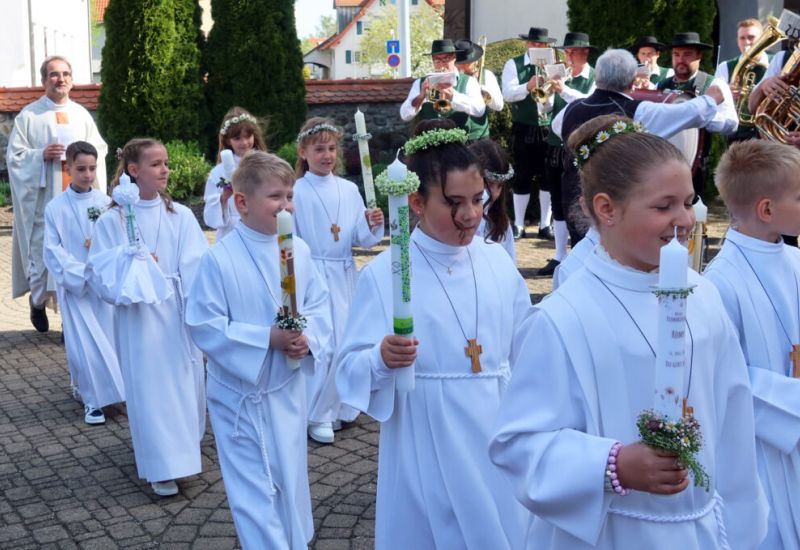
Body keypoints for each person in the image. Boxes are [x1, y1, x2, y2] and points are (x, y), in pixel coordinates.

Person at [489, 114, 767, 549]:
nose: (685, 219)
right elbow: (518, 444)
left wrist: (742, 518)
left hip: (700, 527)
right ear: (606, 209)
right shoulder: (565, 317)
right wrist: (613, 463)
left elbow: (733, 415)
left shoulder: (704, 296)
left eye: (688, 202)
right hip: (612, 532)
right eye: (663, 206)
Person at [336, 119, 533, 549]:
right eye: (454, 203)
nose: (471, 215)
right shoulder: (388, 274)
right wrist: (380, 358)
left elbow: (528, 350)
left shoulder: (497, 263)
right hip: (426, 435)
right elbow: (348, 368)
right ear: (416, 202)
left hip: (495, 431)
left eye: (478, 199)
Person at [186, 152, 332, 548]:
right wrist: (268, 338)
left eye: (290, 196)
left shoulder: (299, 251)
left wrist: (306, 338)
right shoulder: (220, 258)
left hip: (285, 390)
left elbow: (319, 306)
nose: (286, 206)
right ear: (242, 202)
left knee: (289, 480)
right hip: (240, 398)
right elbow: (203, 323)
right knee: (254, 491)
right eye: (275, 197)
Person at [87, 138, 207, 497]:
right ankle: (160, 466)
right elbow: (98, 271)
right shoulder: (112, 219)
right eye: (156, 164)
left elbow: (198, 263)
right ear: (133, 170)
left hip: (176, 308)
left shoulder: (179, 215)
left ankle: (184, 454)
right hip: (139, 316)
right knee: (150, 388)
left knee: (183, 383)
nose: (165, 169)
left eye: (166, 163)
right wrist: (129, 263)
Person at [704, 139, 800, 549]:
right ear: (767, 210)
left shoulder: (794, 261)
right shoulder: (720, 283)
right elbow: (726, 380)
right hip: (762, 448)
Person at [553, 48, 729, 245]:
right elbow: (687, 112)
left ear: (597, 77)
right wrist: (711, 98)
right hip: (617, 203)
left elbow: (556, 128)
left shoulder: (571, 108)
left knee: (583, 249)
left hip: (576, 198)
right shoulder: (639, 112)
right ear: (632, 80)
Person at [293, 117, 384, 444]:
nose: (327, 155)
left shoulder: (349, 190)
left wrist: (371, 223)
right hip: (314, 274)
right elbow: (292, 239)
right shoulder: (297, 192)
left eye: (332, 148)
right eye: (319, 149)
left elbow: (361, 238)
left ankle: (342, 406)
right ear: (303, 152)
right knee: (322, 344)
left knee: (347, 341)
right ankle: (317, 413)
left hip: (344, 274)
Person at [6, 55, 108, 332]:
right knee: (42, 262)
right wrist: (40, 155)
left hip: (77, 202)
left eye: (65, 74)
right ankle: (37, 302)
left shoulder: (81, 115)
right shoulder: (29, 116)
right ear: (43, 80)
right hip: (43, 204)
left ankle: (69, 322)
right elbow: (15, 157)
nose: (60, 79)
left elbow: (99, 150)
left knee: (75, 257)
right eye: (53, 74)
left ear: (72, 80)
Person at [43, 141, 124, 425]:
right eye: (81, 169)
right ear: (68, 168)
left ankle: (116, 390)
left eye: (92, 168)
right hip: (76, 286)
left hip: (102, 286)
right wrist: (80, 273)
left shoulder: (105, 202)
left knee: (109, 339)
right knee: (84, 345)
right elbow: (52, 249)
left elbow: (116, 240)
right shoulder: (55, 208)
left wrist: (103, 271)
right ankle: (92, 401)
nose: (88, 175)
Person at [536, 31, 597, 276]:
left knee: (579, 203)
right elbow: (546, 110)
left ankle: (584, 253)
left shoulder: (594, 78)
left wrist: (563, 90)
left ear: (585, 53)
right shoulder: (563, 77)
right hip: (557, 145)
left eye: (572, 52)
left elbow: (590, 103)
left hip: (582, 147)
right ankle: (559, 255)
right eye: (567, 52)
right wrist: (546, 97)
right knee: (558, 200)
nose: (568, 57)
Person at [658, 32, 739, 199]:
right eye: (676, 54)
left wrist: (703, 116)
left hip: (695, 162)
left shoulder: (712, 84)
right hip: (662, 161)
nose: (680, 60)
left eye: (687, 54)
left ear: (699, 56)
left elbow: (732, 123)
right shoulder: (662, 84)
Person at [501, 27, 558, 241]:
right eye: (535, 44)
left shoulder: (553, 65)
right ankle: (518, 224)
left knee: (547, 176)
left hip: (548, 126)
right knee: (522, 175)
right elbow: (508, 94)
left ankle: (545, 224)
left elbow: (555, 100)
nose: (538, 47)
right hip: (524, 127)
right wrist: (528, 86)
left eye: (542, 44)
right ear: (528, 44)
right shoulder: (513, 64)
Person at [203, 107, 267, 241]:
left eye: (248, 136)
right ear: (228, 140)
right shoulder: (218, 172)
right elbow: (210, 216)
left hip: (261, 227)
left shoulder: (266, 165)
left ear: (254, 135)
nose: (244, 143)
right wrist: (223, 197)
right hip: (231, 233)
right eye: (237, 138)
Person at [399, 39, 485, 131]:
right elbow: (404, 116)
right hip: (430, 138)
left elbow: (479, 110)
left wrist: (453, 96)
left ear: (454, 58)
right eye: (437, 60)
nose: (441, 64)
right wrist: (421, 96)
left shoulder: (469, 81)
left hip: (459, 138)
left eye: (446, 59)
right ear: (432, 60)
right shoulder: (420, 82)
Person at [715, 19, 771, 142]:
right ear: (737, 41)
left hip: (770, 133)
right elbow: (715, 105)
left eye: (751, 37)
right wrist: (726, 96)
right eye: (742, 38)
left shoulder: (774, 62)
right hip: (739, 137)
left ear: (762, 39)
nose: (747, 42)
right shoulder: (725, 67)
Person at [469, 138, 516, 264]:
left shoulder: (501, 223)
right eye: (489, 184)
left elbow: (509, 264)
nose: (494, 194)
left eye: (499, 186)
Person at [455, 39, 503, 141]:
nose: (466, 66)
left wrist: (486, 92)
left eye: (469, 63)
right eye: (463, 63)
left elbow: (499, 106)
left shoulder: (487, 75)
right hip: (457, 135)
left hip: (480, 135)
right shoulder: (453, 77)